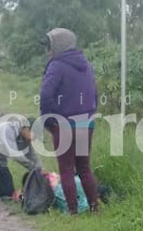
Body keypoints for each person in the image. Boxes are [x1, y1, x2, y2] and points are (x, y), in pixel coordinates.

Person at [38, 28, 101, 214]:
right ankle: (94, 208)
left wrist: (49, 120)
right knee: (84, 168)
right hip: (85, 123)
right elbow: (94, 95)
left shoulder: (57, 66)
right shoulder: (86, 64)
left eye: (49, 46)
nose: (47, 51)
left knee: (66, 169)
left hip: (64, 124)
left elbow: (45, 95)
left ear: (58, 46)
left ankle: (73, 212)